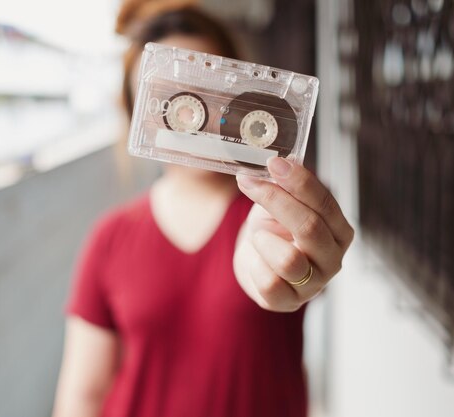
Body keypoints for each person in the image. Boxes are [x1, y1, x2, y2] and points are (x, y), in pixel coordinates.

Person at [52, 1, 354, 417]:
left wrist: (299, 264)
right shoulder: (109, 238)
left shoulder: (278, 211)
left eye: (214, 95)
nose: (199, 122)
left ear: (244, 97)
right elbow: (81, 398)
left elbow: (306, 271)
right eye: (175, 105)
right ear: (132, 112)